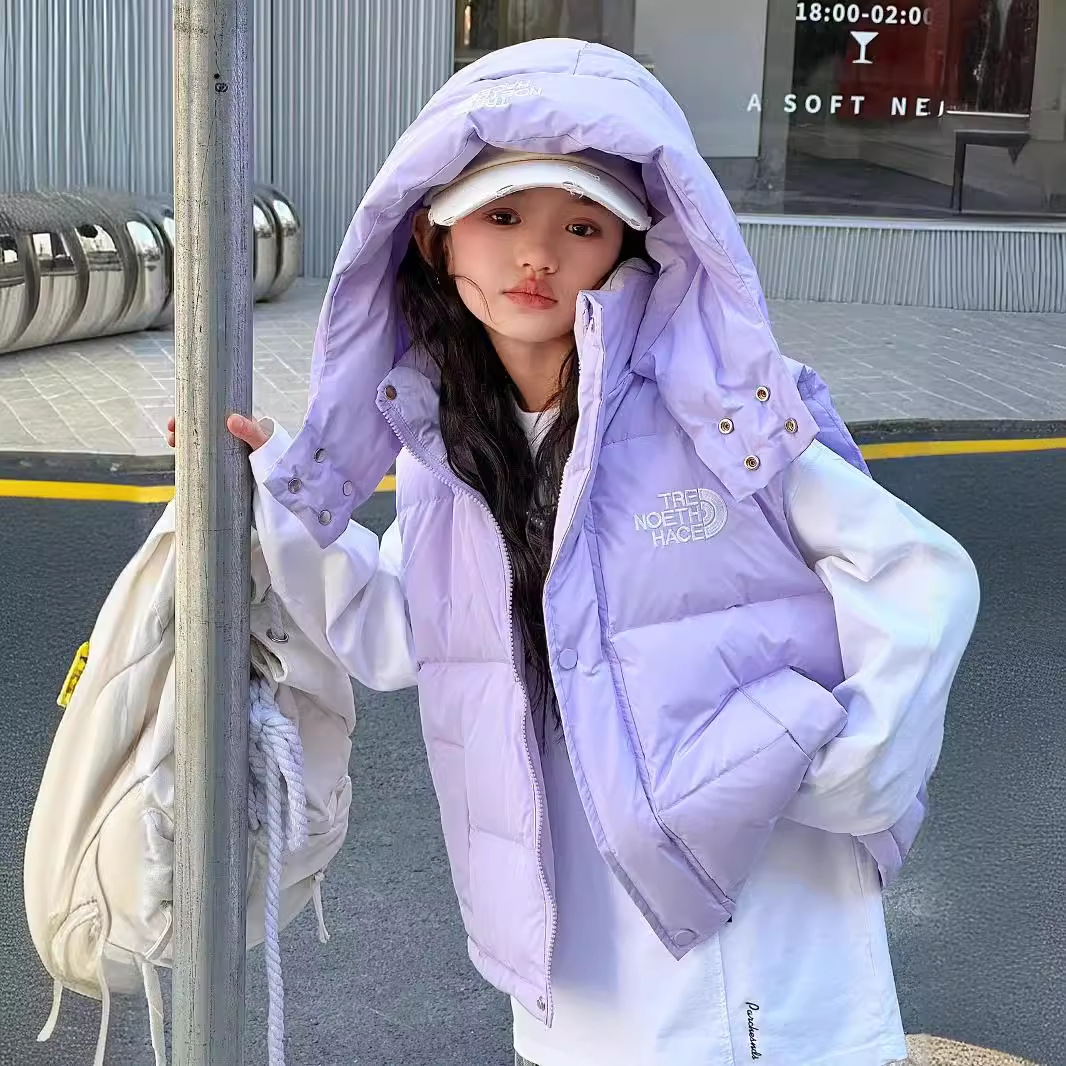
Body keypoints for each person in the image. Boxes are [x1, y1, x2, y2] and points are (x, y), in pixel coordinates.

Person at [168, 38, 980, 1066]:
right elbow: (403, 637)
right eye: (502, 216)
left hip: (756, 897)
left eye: (581, 225)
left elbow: (920, 574)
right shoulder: (448, 445)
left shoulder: (715, 407)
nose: (537, 256)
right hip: (570, 904)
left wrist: (843, 767)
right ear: (433, 237)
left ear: (628, 246)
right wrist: (272, 499)